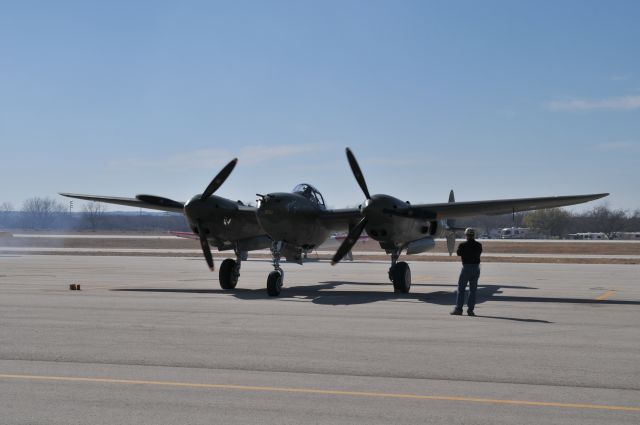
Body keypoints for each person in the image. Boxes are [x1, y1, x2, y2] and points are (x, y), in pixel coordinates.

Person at [451, 227, 482, 316]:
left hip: (466, 268)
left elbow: (458, 253)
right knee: (473, 290)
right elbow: (479, 252)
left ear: (466, 235)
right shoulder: (478, 245)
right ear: (473, 235)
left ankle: (459, 309)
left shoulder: (462, 245)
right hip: (476, 268)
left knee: (461, 289)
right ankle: (470, 310)